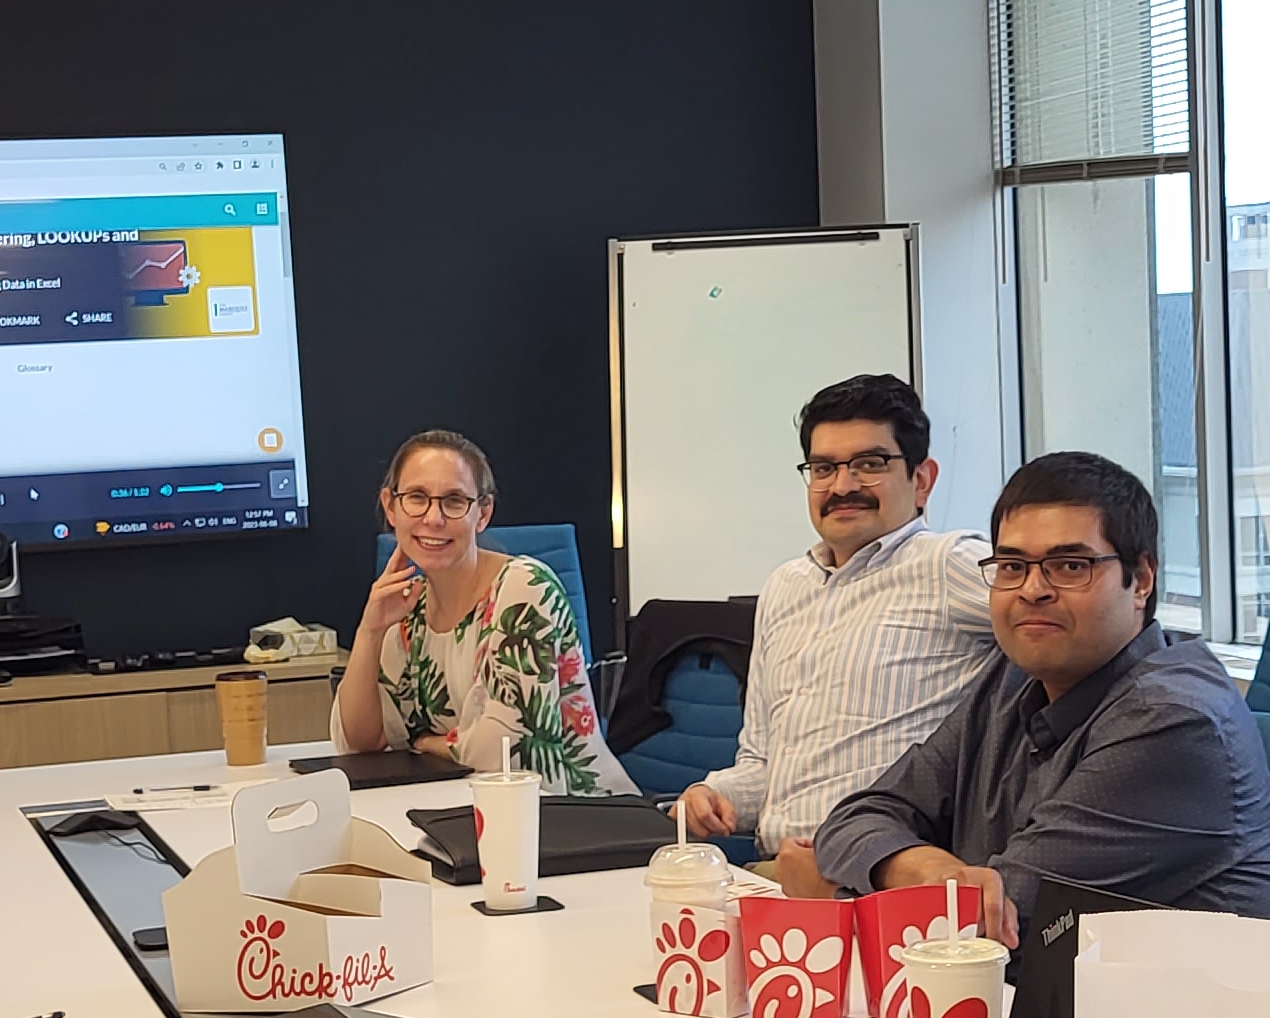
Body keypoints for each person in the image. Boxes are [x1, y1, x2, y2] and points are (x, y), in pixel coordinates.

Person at [816, 451, 1270, 932]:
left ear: (1141, 580)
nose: (1033, 590)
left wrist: (834, 887)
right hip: (1077, 1002)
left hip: (1230, 1010)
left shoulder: (1174, 721)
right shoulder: (1012, 678)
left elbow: (996, 921)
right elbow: (855, 818)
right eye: (1012, 566)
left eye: (1070, 566)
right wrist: (921, 869)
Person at [680, 373, 996, 891]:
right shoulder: (786, 585)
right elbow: (762, 761)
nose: (843, 485)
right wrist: (717, 796)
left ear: (922, 480)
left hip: (874, 883)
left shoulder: (949, 564)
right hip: (767, 874)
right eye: (824, 468)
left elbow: (1068, 614)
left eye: (870, 464)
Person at [333, 428, 632, 793]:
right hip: (466, 812)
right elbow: (360, 742)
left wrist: (424, 742)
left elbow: (506, 754)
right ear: (390, 507)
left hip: (573, 818)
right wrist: (370, 630)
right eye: (416, 497)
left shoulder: (524, 588)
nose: (433, 518)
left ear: (483, 513)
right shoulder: (409, 605)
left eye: (454, 501)